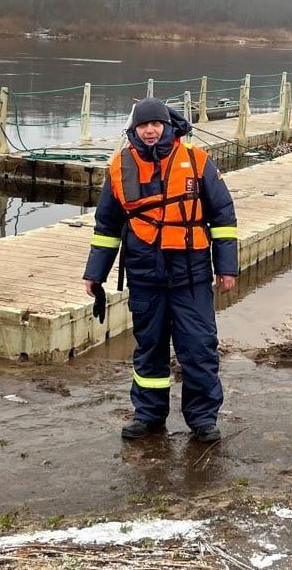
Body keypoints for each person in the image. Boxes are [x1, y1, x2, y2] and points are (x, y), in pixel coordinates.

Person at [83, 97, 238, 443]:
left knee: (198, 347)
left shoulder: (197, 161)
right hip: (144, 274)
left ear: (168, 126)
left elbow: (223, 219)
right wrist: (94, 274)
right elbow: (106, 226)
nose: (150, 130)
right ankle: (149, 414)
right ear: (134, 129)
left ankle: (202, 418)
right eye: (143, 125)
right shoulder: (118, 167)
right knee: (149, 347)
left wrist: (227, 267)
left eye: (156, 124)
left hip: (192, 274)